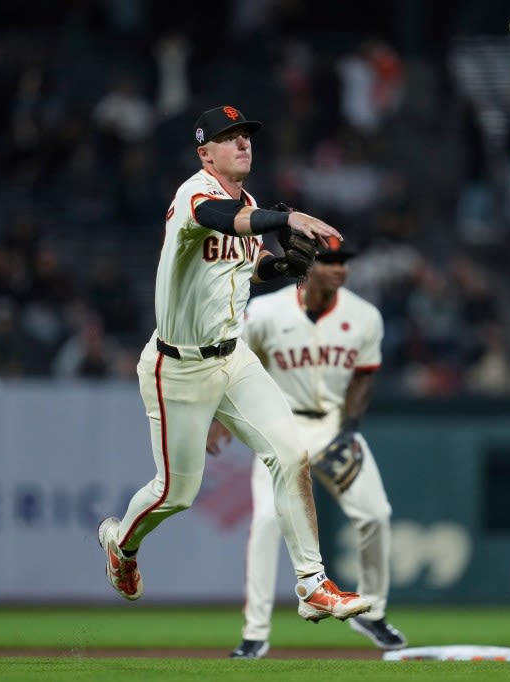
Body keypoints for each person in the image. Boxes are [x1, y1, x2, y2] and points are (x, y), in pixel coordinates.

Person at [97, 105, 372, 625]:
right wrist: (287, 218)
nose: (243, 143)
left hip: (233, 357)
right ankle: (120, 544)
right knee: (177, 493)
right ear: (206, 153)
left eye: (246, 135)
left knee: (291, 454)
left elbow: (246, 268)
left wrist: (285, 266)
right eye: (230, 138)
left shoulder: (246, 203)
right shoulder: (193, 194)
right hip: (175, 367)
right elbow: (220, 221)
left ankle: (312, 584)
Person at [207, 238, 407, 659]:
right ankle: (255, 633)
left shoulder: (365, 315)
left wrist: (350, 430)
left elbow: (365, 376)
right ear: (306, 266)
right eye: (329, 261)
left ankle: (372, 613)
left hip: (334, 426)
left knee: (376, 515)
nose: (339, 269)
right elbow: (233, 363)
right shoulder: (265, 313)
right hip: (280, 426)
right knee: (265, 524)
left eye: (342, 261)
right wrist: (220, 418)